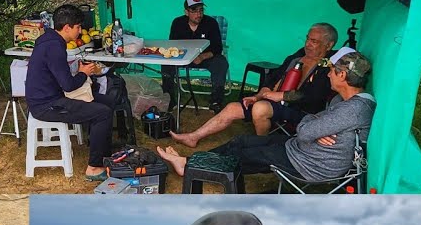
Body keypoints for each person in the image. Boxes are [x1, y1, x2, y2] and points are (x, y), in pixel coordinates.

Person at [157, 50, 374, 182]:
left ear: (343, 75)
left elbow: (306, 129)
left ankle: (189, 166)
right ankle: (189, 162)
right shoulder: (343, 101)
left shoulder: (353, 109)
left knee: (242, 157)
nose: (329, 74)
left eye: (333, 70)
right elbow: (311, 127)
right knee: (241, 141)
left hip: (310, 164)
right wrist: (316, 128)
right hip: (301, 148)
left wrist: (313, 128)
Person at [170, 23, 339, 148]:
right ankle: (194, 136)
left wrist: (280, 96)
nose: (308, 44)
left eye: (314, 41)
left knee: (260, 109)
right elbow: (274, 77)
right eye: (308, 39)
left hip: (302, 111)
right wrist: (257, 95)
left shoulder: (328, 65)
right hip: (276, 103)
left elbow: (315, 97)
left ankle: (261, 150)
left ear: (329, 45)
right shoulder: (298, 56)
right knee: (232, 107)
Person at [25, 4, 113, 181]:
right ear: (66, 27)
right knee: (102, 113)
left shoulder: (48, 38)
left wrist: (79, 71)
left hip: (50, 96)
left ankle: (104, 153)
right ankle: (93, 168)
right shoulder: (55, 47)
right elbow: (69, 86)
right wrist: (84, 73)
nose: (80, 31)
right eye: (78, 27)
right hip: (46, 105)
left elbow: (57, 74)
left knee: (107, 102)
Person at [163, 0, 228, 111]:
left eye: (201, 10)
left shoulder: (211, 23)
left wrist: (202, 57)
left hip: (205, 58)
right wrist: (185, 55)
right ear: (186, 12)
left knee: (221, 62)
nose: (199, 14)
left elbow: (217, 47)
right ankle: (169, 98)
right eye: (194, 11)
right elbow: (173, 44)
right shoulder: (178, 23)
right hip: (182, 57)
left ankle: (216, 100)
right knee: (166, 62)